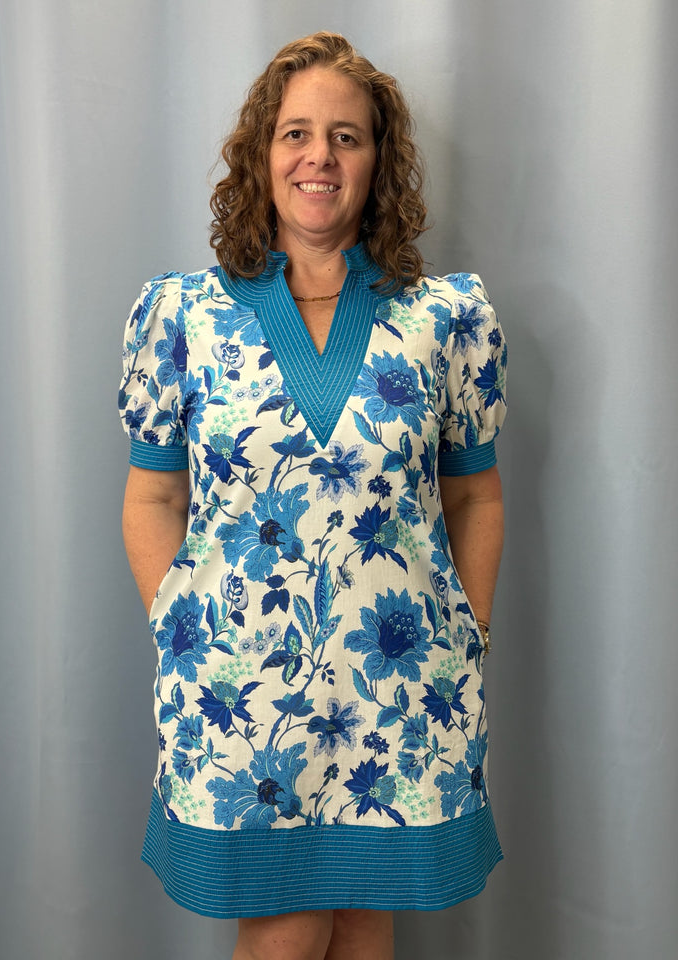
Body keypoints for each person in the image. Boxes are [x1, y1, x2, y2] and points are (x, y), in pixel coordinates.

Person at [119, 31, 507, 960]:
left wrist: (469, 630)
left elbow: (476, 499)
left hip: (400, 689)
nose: (319, 157)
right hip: (239, 693)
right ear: (263, 154)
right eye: (296, 133)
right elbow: (152, 498)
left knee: (366, 925)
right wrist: (180, 626)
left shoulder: (445, 318)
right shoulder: (185, 316)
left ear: (379, 161)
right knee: (285, 931)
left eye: (346, 136)